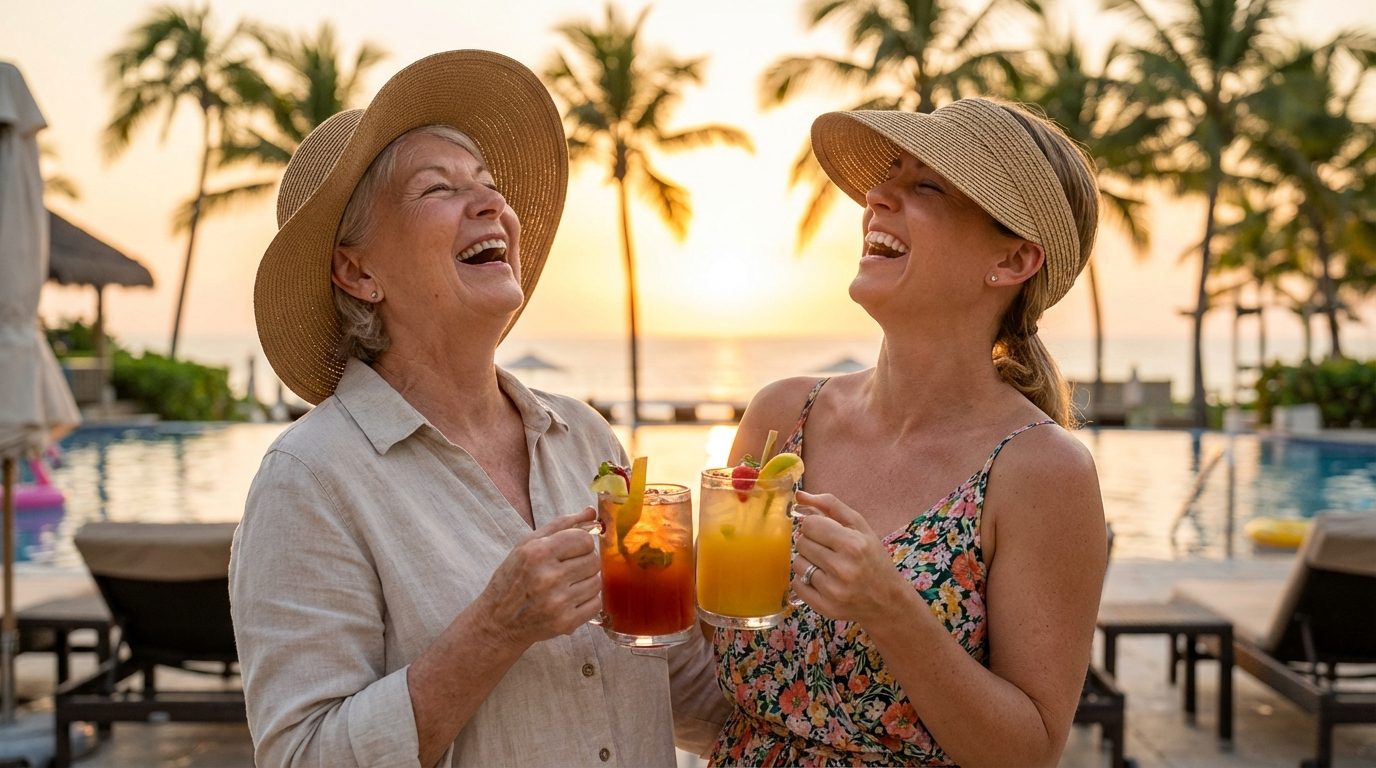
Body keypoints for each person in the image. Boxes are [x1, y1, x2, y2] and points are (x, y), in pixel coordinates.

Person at [230, 50, 722, 767]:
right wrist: (495, 629)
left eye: (489, 186)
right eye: (440, 189)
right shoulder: (309, 479)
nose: (493, 204)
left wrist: (753, 603)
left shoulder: (585, 439)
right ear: (357, 271)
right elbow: (303, 757)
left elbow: (687, 698)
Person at [709, 99, 1109, 766]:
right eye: (888, 174)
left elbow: (1029, 753)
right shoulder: (781, 421)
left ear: (1012, 259)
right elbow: (710, 665)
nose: (876, 196)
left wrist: (888, 607)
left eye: (924, 185)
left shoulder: (1041, 470)